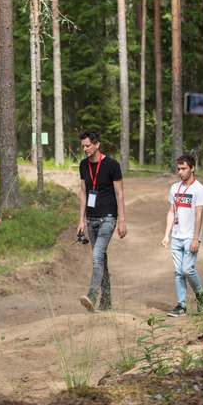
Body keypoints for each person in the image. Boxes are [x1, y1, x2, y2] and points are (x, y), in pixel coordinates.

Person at [76, 129, 127, 312]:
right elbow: (83, 193)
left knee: (97, 256)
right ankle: (107, 301)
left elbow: (120, 194)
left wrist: (122, 221)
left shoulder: (112, 165)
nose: (85, 149)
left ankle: (92, 294)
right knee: (101, 260)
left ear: (97, 144)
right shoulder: (83, 165)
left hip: (108, 218)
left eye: (88, 145)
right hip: (91, 219)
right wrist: (81, 220)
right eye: (83, 146)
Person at [161, 154, 203, 317]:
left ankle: (200, 295)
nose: (180, 172)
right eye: (179, 169)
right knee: (178, 271)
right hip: (177, 236)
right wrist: (167, 234)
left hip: (190, 237)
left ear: (192, 168)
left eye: (184, 169)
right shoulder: (175, 188)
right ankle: (181, 305)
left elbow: (199, 215)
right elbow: (172, 211)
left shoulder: (199, 189)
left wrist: (195, 238)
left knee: (187, 269)